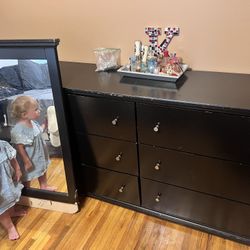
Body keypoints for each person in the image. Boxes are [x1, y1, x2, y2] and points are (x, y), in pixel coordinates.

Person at [10, 95, 56, 191]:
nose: (38, 111)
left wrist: (46, 123)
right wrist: (26, 161)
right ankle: (27, 189)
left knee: (42, 169)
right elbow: (19, 147)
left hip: (38, 155)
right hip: (29, 157)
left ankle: (44, 186)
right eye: (36, 109)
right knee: (27, 174)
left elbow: (39, 131)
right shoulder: (18, 129)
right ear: (24, 114)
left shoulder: (32, 123)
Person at [0, 139, 24, 240]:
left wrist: (18, 170)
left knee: (11, 197)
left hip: (8, 180)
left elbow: (12, 158)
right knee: (2, 208)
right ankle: (10, 228)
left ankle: (12, 212)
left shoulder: (3, 144)